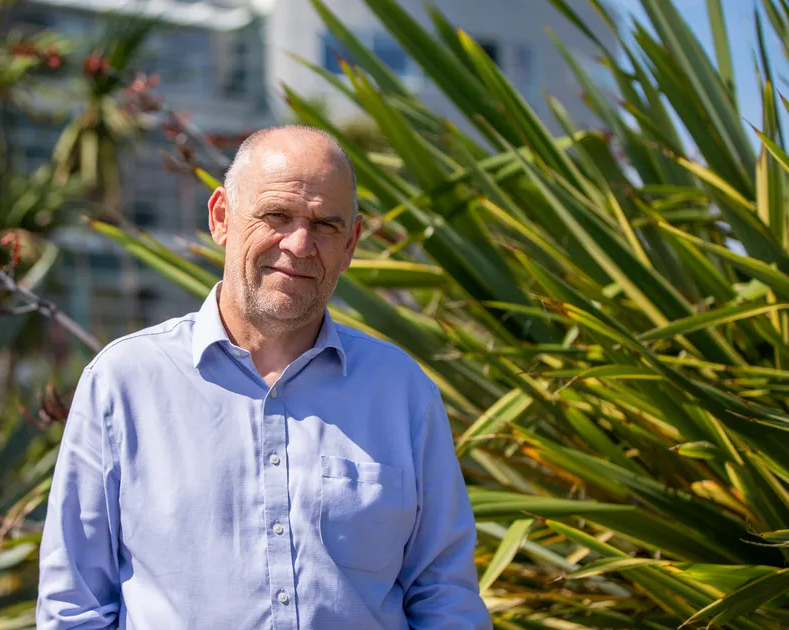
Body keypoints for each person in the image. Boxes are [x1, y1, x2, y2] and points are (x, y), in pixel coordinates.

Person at [35, 125, 491, 629]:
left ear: (351, 243)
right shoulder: (124, 384)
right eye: (276, 216)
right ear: (221, 217)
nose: (299, 244)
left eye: (326, 225)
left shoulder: (402, 394)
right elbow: (72, 607)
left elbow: (445, 599)